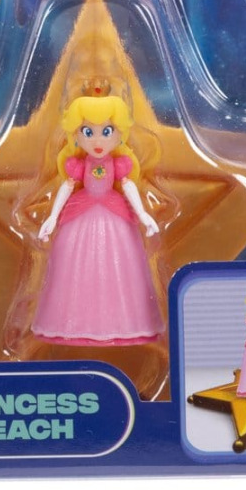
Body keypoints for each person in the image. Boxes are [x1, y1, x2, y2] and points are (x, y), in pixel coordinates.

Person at [32, 89, 164, 345]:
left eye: (107, 131)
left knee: (122, 265)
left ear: (120, 133)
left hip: (115, 213)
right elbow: (67, 187)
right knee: (72, 266)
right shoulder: (78, 166)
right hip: (80, 212)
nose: (97, 140)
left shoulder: (119, 164)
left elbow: (128, 185)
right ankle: (70, 323)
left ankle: (125, 323)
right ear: (76, 135)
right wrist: (52, 217)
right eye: (87, 132)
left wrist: (143, 214)